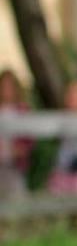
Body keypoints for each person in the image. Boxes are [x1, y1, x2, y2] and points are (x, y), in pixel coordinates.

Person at [0, 69, 31, 201]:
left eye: (10, 86)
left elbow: (29, 137)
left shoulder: (22, 110)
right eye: (4, 86)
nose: (7, 90)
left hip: (15, 163)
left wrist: (21, 150)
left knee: (17, 198)